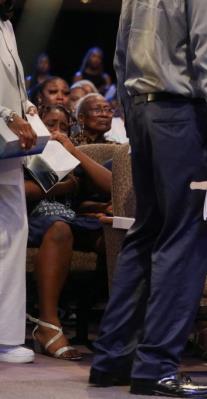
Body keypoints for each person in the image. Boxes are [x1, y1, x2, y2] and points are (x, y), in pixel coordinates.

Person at [89, 1, 207, 398]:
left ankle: (112, 361)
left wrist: (132, 114)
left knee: (146, 233)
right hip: (181, 115)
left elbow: (121, 52)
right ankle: (157, 367)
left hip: (143, 112)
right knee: (185, 239)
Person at [25, 105, 111, 361]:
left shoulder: (70, 155)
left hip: (73, 219)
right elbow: (22, 191)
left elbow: (111, 184)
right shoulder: (29, 153)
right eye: (51, 125)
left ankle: (119, 325)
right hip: (35, 219)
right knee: (60, 228)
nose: (58, 132)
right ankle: (49, 324)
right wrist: (63, 187)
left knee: (113, 234)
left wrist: (74, 153)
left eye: (64, 127)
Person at [0, 0, 37, 364]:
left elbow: (11, 81)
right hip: (3, 126)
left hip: (8, 145)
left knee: (14, 233)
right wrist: (8, 113)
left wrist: (25, 106)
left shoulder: (6, 25)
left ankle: (7, 336)